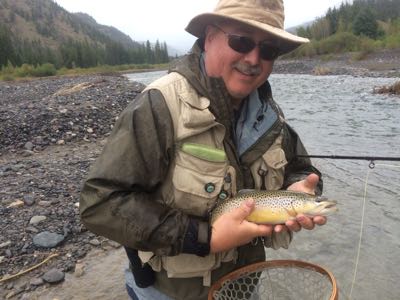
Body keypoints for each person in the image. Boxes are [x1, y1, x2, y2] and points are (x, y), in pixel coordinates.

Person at [80, 0, 327, 299]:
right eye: (242, 41)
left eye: (268, 50)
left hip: (245, 285)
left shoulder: (268, 114)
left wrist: (300, 187)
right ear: (209, 37)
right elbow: (100, 203)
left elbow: (300, 168)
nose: (253, 58)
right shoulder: (158, 105)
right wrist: (204, 238)